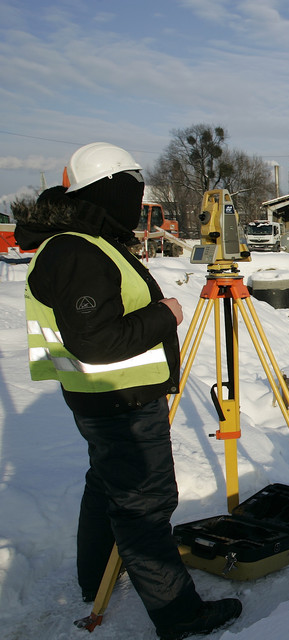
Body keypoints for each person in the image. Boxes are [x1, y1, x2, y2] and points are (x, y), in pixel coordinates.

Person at [14, 142, 241, 640]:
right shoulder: (76, 250)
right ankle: (180, 617)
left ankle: (96, 580)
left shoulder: (79, 242)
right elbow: (96, 340)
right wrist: (167, 314)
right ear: (110, 193)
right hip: (120, 401)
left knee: (106, 487)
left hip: (107, 399)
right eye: (132, 193)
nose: (137, 206)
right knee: (144, 508)